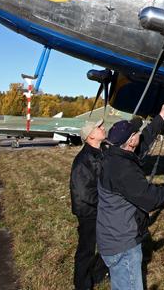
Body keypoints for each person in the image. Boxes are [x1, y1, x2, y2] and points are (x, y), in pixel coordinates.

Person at [97, 102, 164, 290]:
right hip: (122, 244)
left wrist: (161, 115)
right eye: (135, 132)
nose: (139, 133)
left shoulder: (116, 154)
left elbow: (144, 139)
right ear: (130, 141)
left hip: (113, 237)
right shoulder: (123, 170)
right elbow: (151, 199)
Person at [70, 118, 108, 290]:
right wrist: (107, 202)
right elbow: (85, 193)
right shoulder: (83, 160)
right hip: (89, 212)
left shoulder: (100, 152)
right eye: (98, 127)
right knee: (86, 249)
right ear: (91, 136)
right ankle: (82, 285)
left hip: (99, 208)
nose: (103, 128)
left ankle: (98, 274)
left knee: (106, 244)